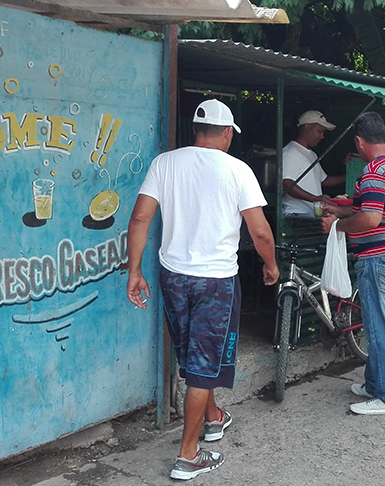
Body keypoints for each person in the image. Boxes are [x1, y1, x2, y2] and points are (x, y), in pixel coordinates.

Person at [126, 99, 279, 481]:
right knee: (202, 363)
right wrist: (272, 265)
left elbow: (140, 217)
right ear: (227, 133)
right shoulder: (237, 170)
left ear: (196, 130)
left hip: (173, 275)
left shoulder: (165, 163)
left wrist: (134, 271)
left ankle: (213, 419)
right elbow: (259, 232)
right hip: (215, 281)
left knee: (194, 353)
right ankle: (188, 455)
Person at [321, 112, 385, 415]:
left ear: (360, 141)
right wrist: (342, 208)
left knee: (379, 331)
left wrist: (338, 225)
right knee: (384, 327)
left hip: (381, 261)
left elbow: (371, 218)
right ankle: (374, 383)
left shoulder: (374, 171)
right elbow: (376, 206)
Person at [282, 110, 346, 216]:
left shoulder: (312, 154)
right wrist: (315, 199)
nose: (322, 136)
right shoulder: (291, 152)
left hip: (310, 214)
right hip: (296, 214)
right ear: (307, 128)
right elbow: (287, 184)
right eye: (320, 131)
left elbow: (324, 180)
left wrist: (348, 176)